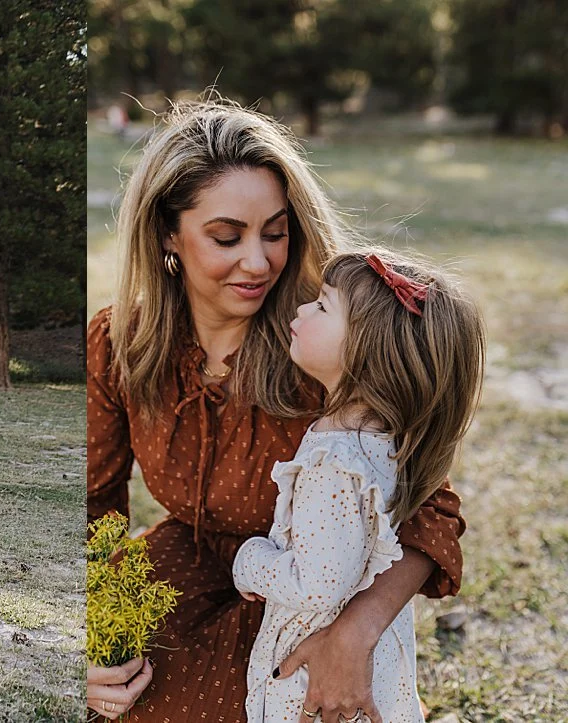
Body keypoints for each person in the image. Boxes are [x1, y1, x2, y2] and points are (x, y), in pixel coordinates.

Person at [84, 101, 464, 722]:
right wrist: (86, 638)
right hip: (184, 561)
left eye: (276, 232)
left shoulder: (326, 347)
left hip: (305, 591)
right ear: (167, 236)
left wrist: (355, 635)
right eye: (227, 237)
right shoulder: (117, 343)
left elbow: (432, 509)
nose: (259, 262)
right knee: (112, 690)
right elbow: (92, 509)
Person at [233, 251, 482, 723]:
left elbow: (320, 586)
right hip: (375, 654)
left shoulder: (336, 462)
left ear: (366, 354)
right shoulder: (387, 443)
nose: (304, 310)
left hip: (312, 664)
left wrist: (249, 563)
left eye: (323, 306)